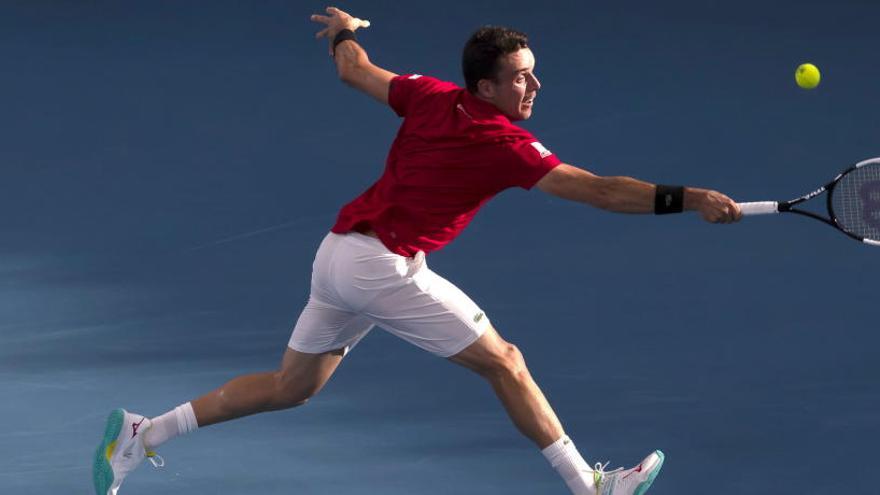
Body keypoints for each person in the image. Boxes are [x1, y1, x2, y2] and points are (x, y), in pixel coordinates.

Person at [93, 6, 742, 495]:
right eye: (520, 78)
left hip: (341, 253)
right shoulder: (504, 143)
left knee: (292, 387)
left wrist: (345, 29)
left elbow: (354, 70)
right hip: (377, 265)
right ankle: (589, 485)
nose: (534, 86)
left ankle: (142, 432)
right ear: (485, 89)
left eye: (534, 73)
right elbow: (599, 191)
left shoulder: (430, 94)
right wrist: (691, 197)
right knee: (506, 362)